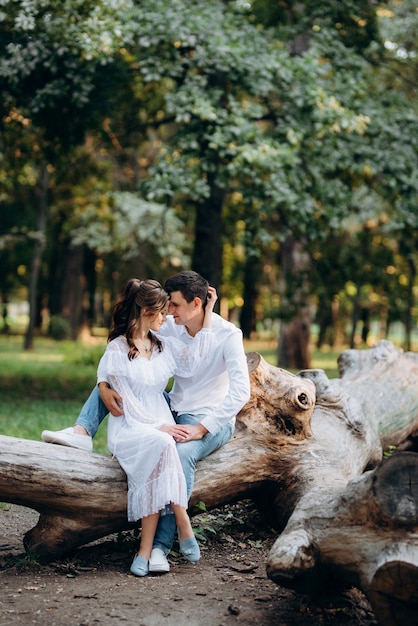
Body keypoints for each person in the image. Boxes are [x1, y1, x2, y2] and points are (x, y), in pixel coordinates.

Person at [42, 270, 251, 574]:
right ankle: (82, 431)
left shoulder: (228, 335)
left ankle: (160, 547)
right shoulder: (171, 326)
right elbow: (127, 351)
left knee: (178, 455)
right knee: (120, 381)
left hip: (207, 416)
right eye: (166, 308)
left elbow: (240, 391)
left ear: (197, 303)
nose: (169, 313)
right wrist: (102, 384)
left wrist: (203, 427)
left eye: (175, 306)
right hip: (170, 407)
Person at [96, 277, 217, 577]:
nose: (167, 318)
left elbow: (196, 360)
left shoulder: (163, 346)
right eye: (162, 312)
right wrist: (159, 426)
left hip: (159, 425)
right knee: (163, 444)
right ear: (147, 311)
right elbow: (129, 407)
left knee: (161, 452)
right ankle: (183, 521)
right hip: (130, 426)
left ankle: (144, 551)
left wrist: (209, 312)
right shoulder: (118, 349)